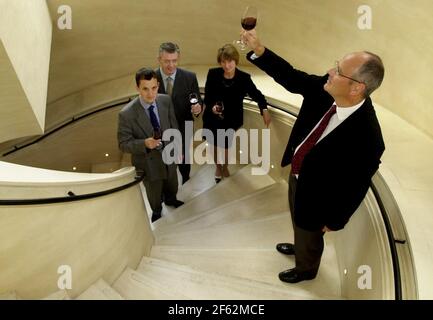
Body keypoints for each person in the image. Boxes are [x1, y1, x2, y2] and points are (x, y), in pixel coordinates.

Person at [243, 30, 385, 283]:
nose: (330, 72)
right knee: (298, 220)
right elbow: (292, 77)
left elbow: (356, 185)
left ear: (357, 88)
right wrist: (260, 50)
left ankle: (306, 269)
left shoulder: (368, 138)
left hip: (319, 197)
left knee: (310, 231)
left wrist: (335, 220)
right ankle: (300, 245)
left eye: (338, 70)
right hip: (298, 174)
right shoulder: (326, 88)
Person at [118, 68, 184, 223]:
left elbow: (173, 126)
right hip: (149, 164)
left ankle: (171, 200)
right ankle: (157, 210)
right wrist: (144, 144)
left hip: (169, 157)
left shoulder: (165, 100)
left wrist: (178, 147)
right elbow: (123, 144)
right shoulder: (126, 114)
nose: (150, 94)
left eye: (154, 88)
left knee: (172, 184)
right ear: (137, 88)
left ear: (158, 85)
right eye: (145, 89)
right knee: (154, 194)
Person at [203, 44, 271, 183]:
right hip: (213, 119)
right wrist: (212, 108)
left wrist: (264, 109)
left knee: (227, 147)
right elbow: (208, 97)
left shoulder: (244, 78)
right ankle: (218, 167)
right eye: (223, 62)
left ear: (236, 61)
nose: (227, 65)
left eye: (230, 61)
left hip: (231, 120)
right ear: (220, 62)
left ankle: (225, 166)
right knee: (214, 145)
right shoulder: (213, 74)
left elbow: (257, 95)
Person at [156, 42, 202, 184]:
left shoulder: (190, 77)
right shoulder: (151, 78)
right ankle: (168, 185)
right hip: (161, 128)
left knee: (184, 157)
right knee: (165, 158)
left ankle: (186, 178)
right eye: (166, 61)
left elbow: (197, 99)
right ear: (159, 60)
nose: (171, 65)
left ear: (178, 59)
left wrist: (198, 108)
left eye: (174, 61)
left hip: (184, 125)